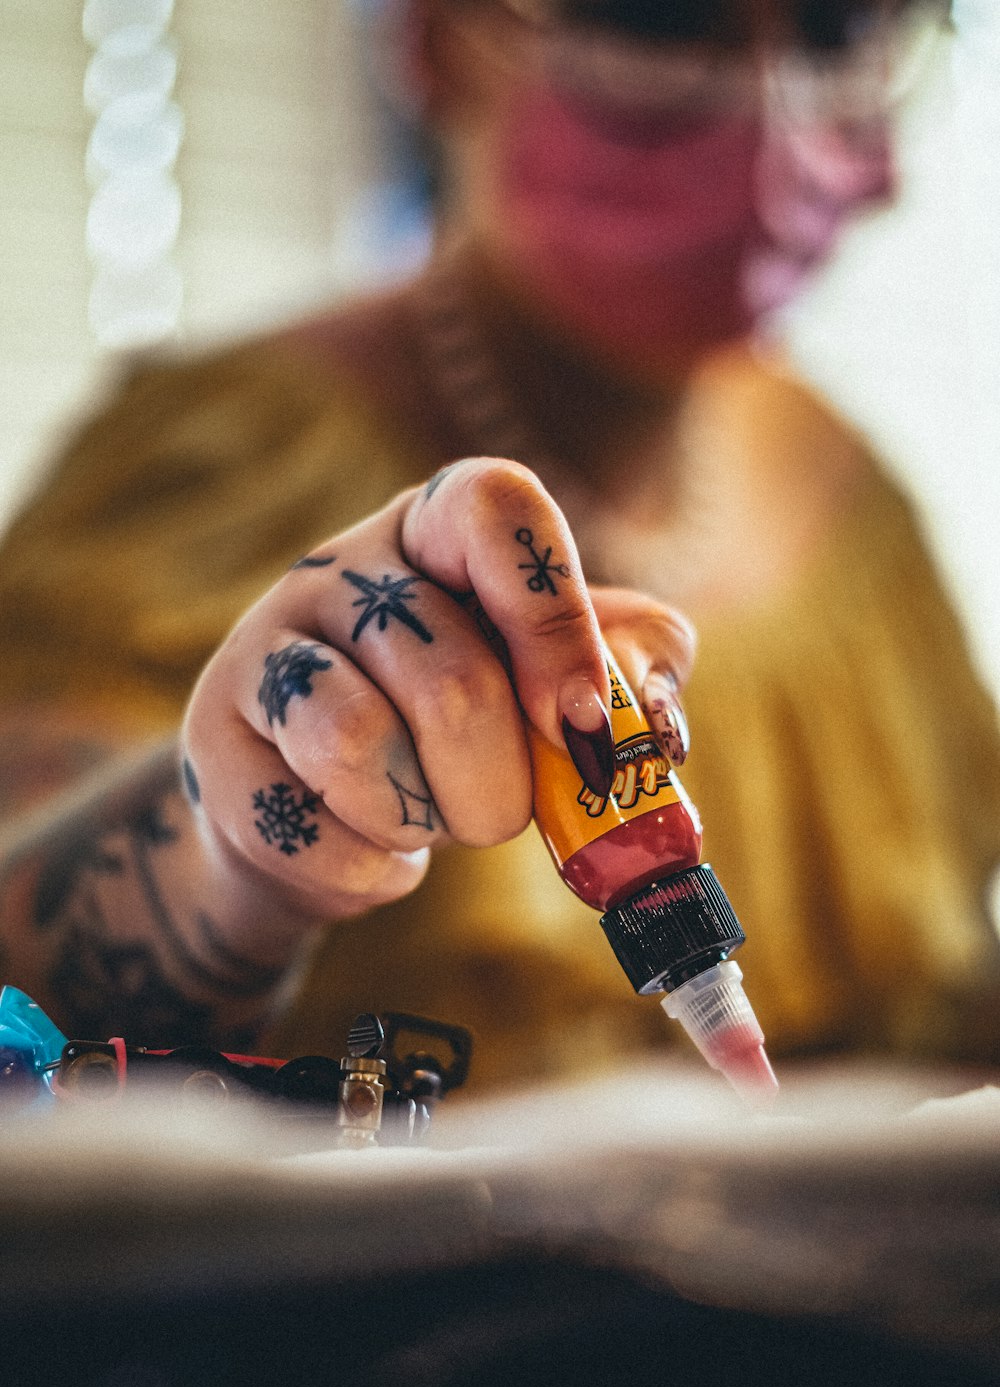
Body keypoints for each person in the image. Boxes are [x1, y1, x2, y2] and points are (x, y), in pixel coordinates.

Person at [1, 0, 998, 1097]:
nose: (768, 122)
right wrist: (234, 845)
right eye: (659, 27)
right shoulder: (210, 469)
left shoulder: (853, 496)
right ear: (436, 44)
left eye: (839, 37)